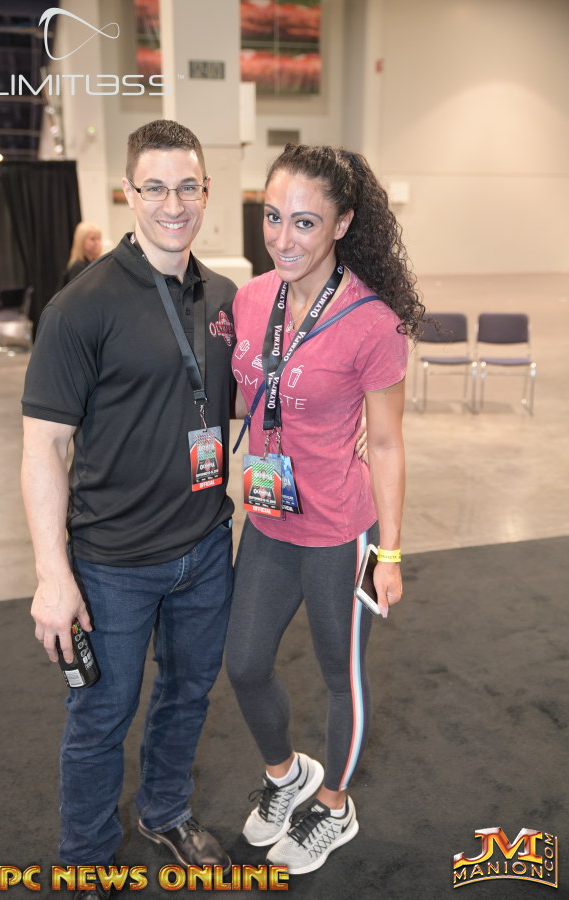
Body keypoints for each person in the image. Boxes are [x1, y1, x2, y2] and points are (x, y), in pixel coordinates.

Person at [21, 120, 237, 900]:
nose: (173, 204)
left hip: (206, 548)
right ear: (128, 193)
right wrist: (54, 577)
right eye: (155, 187)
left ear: (207, 190)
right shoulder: (79, 307)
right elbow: (43, 447)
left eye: (187, 186)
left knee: (187, 694)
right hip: (111, 564)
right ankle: (85, 853)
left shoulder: (227, 300)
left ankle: (165, 811)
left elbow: (258, 403)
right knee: (101, 715)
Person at [226, 143, 424, 875]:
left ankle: (335, 807)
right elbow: (243, 398)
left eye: (305, 222)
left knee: (344, 678)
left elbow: (389, 444)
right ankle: (288, 776)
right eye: (273, 217)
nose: (283, 238)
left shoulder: (373, 321)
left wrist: (390, 553)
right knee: (244, 665)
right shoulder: (251, 300)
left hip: (343, 531)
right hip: (269, 518)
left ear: (342, 223)